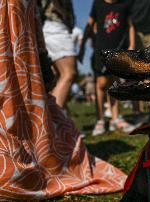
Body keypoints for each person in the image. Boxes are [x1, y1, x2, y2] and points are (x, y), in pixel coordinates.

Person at [0, 0, 126, 200]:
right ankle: (43, 131)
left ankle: (41, 133)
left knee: (18, 82)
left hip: (26, 18)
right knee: (66, 74)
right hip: (40, 22)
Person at [79, 0, 136, 136]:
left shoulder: (125, 4)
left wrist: (132, 46)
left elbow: (131, 26)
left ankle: (116, 119)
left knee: (115, 82)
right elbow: (89, 25)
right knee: (101, 83)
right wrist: (82, 46)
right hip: (101, 49)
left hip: (118, 49)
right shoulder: (98, 4)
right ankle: (100, 119)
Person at [40, 0, 77, 109]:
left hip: (49, 27)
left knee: (55, 78)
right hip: (56, 26)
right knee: (68, 74)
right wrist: (64, 14)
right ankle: (54, 119)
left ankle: (58, 117)